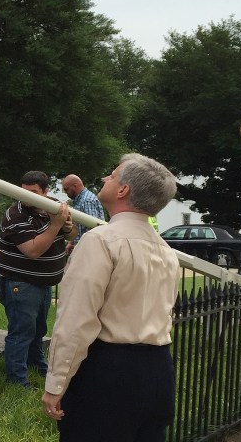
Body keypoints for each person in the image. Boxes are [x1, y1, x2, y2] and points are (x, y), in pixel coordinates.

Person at [42, 153, 180, 442]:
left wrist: (56, 384)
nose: (105, 178)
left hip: (109, 374)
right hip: (159, 371)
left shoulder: (100, 241)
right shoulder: (167, 251)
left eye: (112, 174)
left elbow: (76, 322)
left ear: (123, 190)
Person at [0, 171, 76, 388]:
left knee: (38, 330)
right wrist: (56, 225)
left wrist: (67, 226)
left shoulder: (54, 206)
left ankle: (37, 364)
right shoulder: (15, 215)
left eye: (33, 193)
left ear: (45, 192)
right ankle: (16, 380)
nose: (26, 197)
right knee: (21, 332)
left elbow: (71, 233)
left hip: (41, 284)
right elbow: (32, 251)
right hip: (19, 283)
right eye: (23, 191)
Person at [61, 174, 104, 244]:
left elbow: (92, 230)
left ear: (75, 186)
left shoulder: (86, 201)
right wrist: (72, 242)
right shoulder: (81, 200)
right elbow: (80, 227)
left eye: (66, 189)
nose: (65, 193)